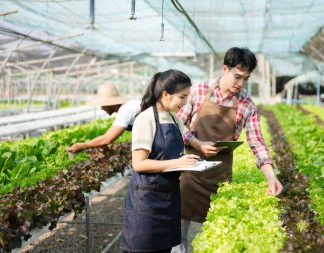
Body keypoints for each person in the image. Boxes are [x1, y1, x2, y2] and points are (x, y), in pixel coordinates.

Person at [172, 47, 283, 253]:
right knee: (178, 234)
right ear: (225, 69)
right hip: (189, 173)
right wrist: (197, 144)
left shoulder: (246, 104)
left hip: (219, 178)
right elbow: (177, 125)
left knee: (213, 236)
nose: (240, 84)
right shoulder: (198, 91)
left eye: (246, 79)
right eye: (237, 76)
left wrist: (271, 176)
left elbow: (257, 142)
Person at [121, 70, 200, 253]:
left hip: (169, 197)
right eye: (182, 96)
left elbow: (180, 149)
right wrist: (178, 163)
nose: (185, 102)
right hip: (147, 201)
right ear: (166, 93)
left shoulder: (174, 119)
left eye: (187, 97)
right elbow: (139, 164)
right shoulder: (145, 118)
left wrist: (191, 159)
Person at [67, 83, 140, 153]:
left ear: (110, 104)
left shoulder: (126, 110)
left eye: (103, 104)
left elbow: (107, 139)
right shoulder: (129, 106)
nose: (102, 108)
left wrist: (82, 145)